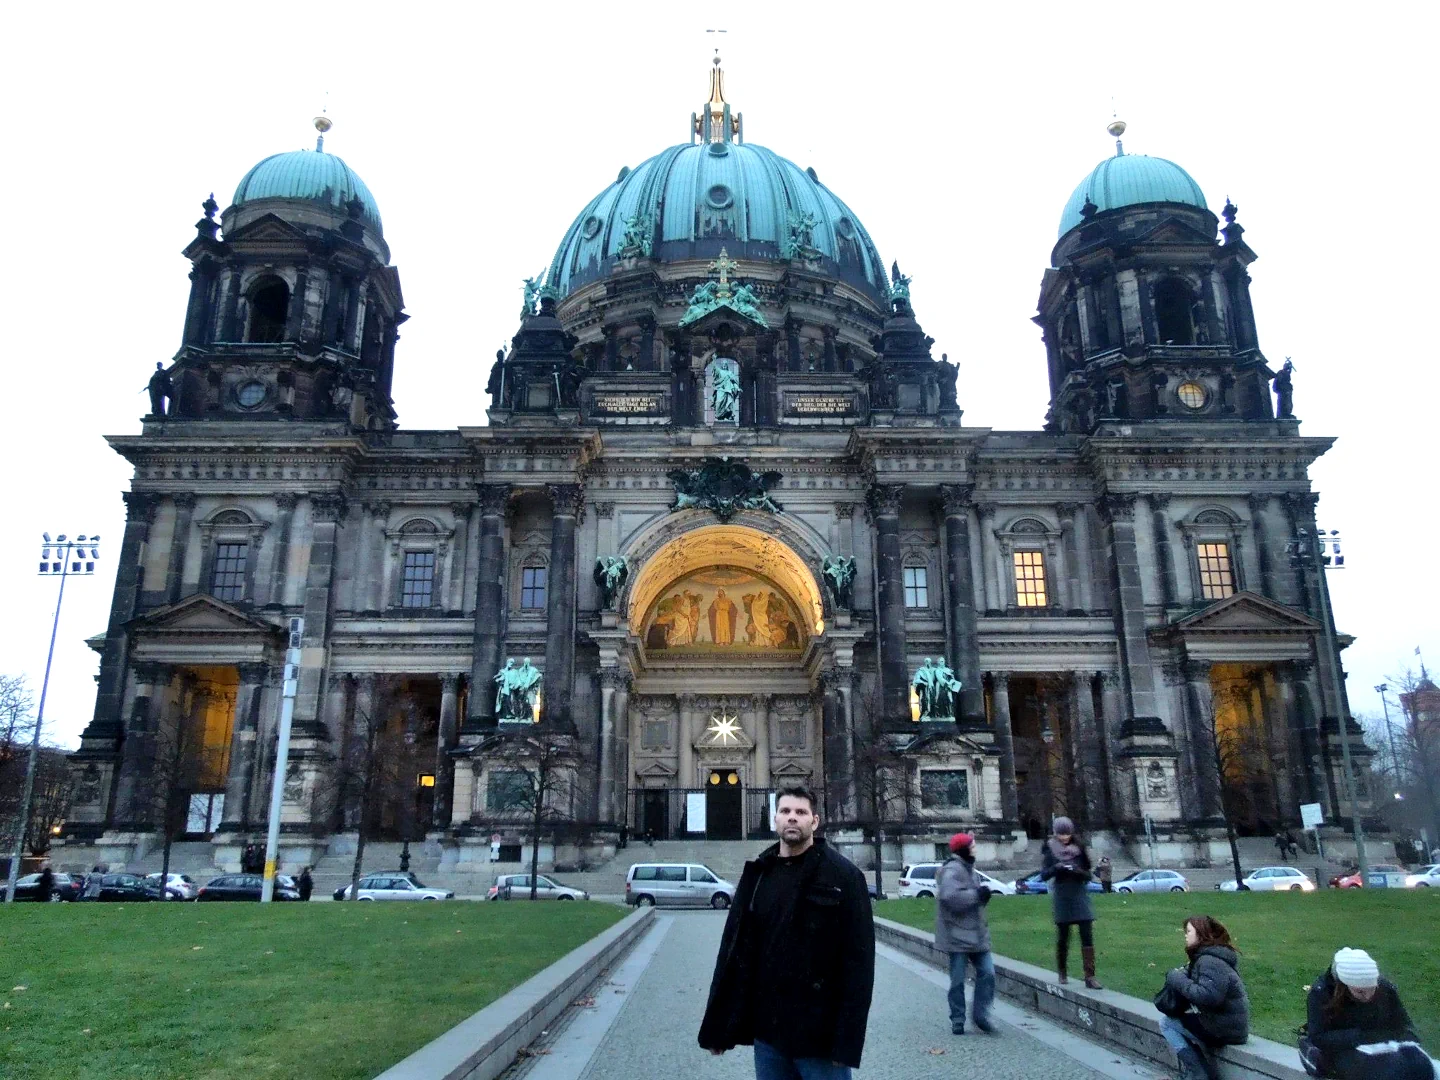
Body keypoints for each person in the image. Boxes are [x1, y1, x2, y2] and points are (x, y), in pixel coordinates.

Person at [699, 784, 875, 1078]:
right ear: (775, 819)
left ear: (814, 821)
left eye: (801, 812)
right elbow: (736, 952)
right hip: (769, 1033)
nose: (792, 817)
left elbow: (859, 963)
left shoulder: (845, 876)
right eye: (785, 811)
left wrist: (846, 1041)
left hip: (819, 1036)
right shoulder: (759, 874)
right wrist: (719, 1028)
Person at [1303, 948, 1435, 1079]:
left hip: (1384, 1046)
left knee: (1420, 1067)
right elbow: (1318, 1037)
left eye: (1372, 989)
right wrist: (1361, 1036)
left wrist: (1402, 1038)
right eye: (1360, 992)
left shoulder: (1385, 988)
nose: (1368, 996)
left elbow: (1402, 1023)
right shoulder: (1321, 993)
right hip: (1341, 1051)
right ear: (1344, 985)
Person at [1159, 915, 1250, 1080]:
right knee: (1180, 1020)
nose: (1185, 936)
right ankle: (1198, 1072)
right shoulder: (1208, 957)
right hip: (1225, 1023)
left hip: (1225, 1029)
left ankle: (1198, 1073)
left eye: (1188, 931)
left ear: (1200, 934)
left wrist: (1177, 978)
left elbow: (1208, 996)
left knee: (1167, 1023)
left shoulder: (1210, 961)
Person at [936, 832, 996, 1035]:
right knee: (957, 980)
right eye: (973, 846)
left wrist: (982, 896)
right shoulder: (953, 869)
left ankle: (980, 1015)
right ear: (964, 849)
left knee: (988, 973)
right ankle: (958, 1019)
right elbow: (950, 897)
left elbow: (972, 900)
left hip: (976, 934)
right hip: (958, 935)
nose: (976, 849)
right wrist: (977, 895)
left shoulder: (970, 869)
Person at [1041, 816, 1102, 989]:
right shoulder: (1050, 849)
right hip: (1062, 895)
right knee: (1063, 936)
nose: (1064, 838)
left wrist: (1077, 871)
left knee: (1086, 934)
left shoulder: (1079, 847)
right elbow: (1044, 874)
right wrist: (1057, 868)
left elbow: (1089, 874)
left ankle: (1090, 976)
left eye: (1067, 834)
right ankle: (1062, 972)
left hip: (1079, 893)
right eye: (1061, 834)